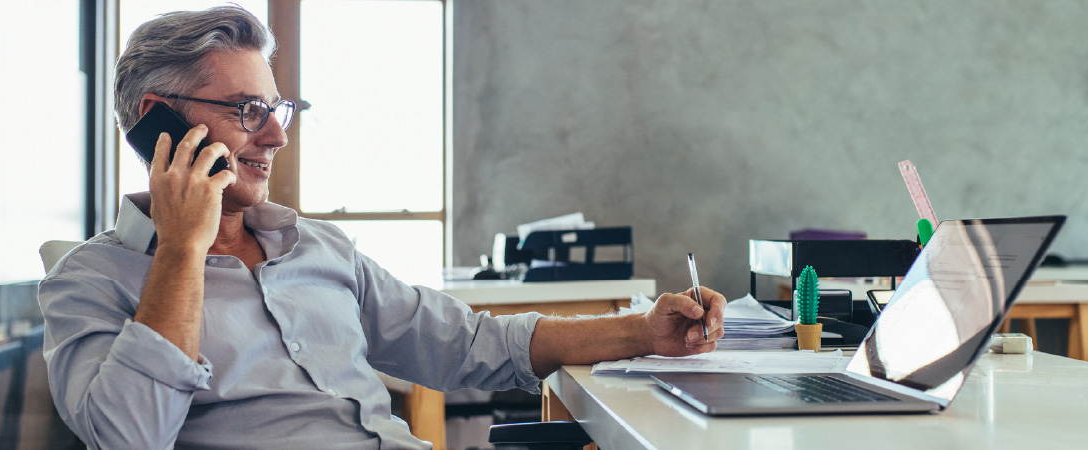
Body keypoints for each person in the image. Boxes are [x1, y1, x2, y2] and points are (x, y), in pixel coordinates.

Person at [38, 6, 725, 449]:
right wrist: (183, 250)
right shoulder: (90, 282)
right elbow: (129, 438)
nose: (277, 136)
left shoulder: (315, 247)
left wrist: (644, 330)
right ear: (160, 120)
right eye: (248, 109)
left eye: (279, 108)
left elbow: (474, 345)